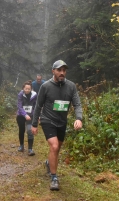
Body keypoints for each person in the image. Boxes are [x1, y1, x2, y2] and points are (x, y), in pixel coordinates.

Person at [31, 60, 82, 191]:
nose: (62, 73)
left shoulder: (71, 86)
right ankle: (54, 178)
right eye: (59, 70)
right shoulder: (46, 86)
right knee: (54, 146)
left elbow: (77, 104)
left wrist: (79, 118)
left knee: (57, 148)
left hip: (62, 122)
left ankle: (49, 163)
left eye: (64, 70)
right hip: (48, 120)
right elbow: (38, 105)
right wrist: (34, 123)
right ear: (53, 71)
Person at [16, 80, 37, 156]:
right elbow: (19, 106)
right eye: (26, 89)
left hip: (30, 116)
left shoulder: (34, 95)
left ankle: (30, 149)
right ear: (23, 88)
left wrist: (35, 115)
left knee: (30, 131)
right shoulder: (20, 95)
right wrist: (25, 115)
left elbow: (36, 106)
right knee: (21, 130)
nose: (27, 90)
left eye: (29, 89)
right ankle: (21, 146)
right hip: (21, 116)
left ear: (31, 89)